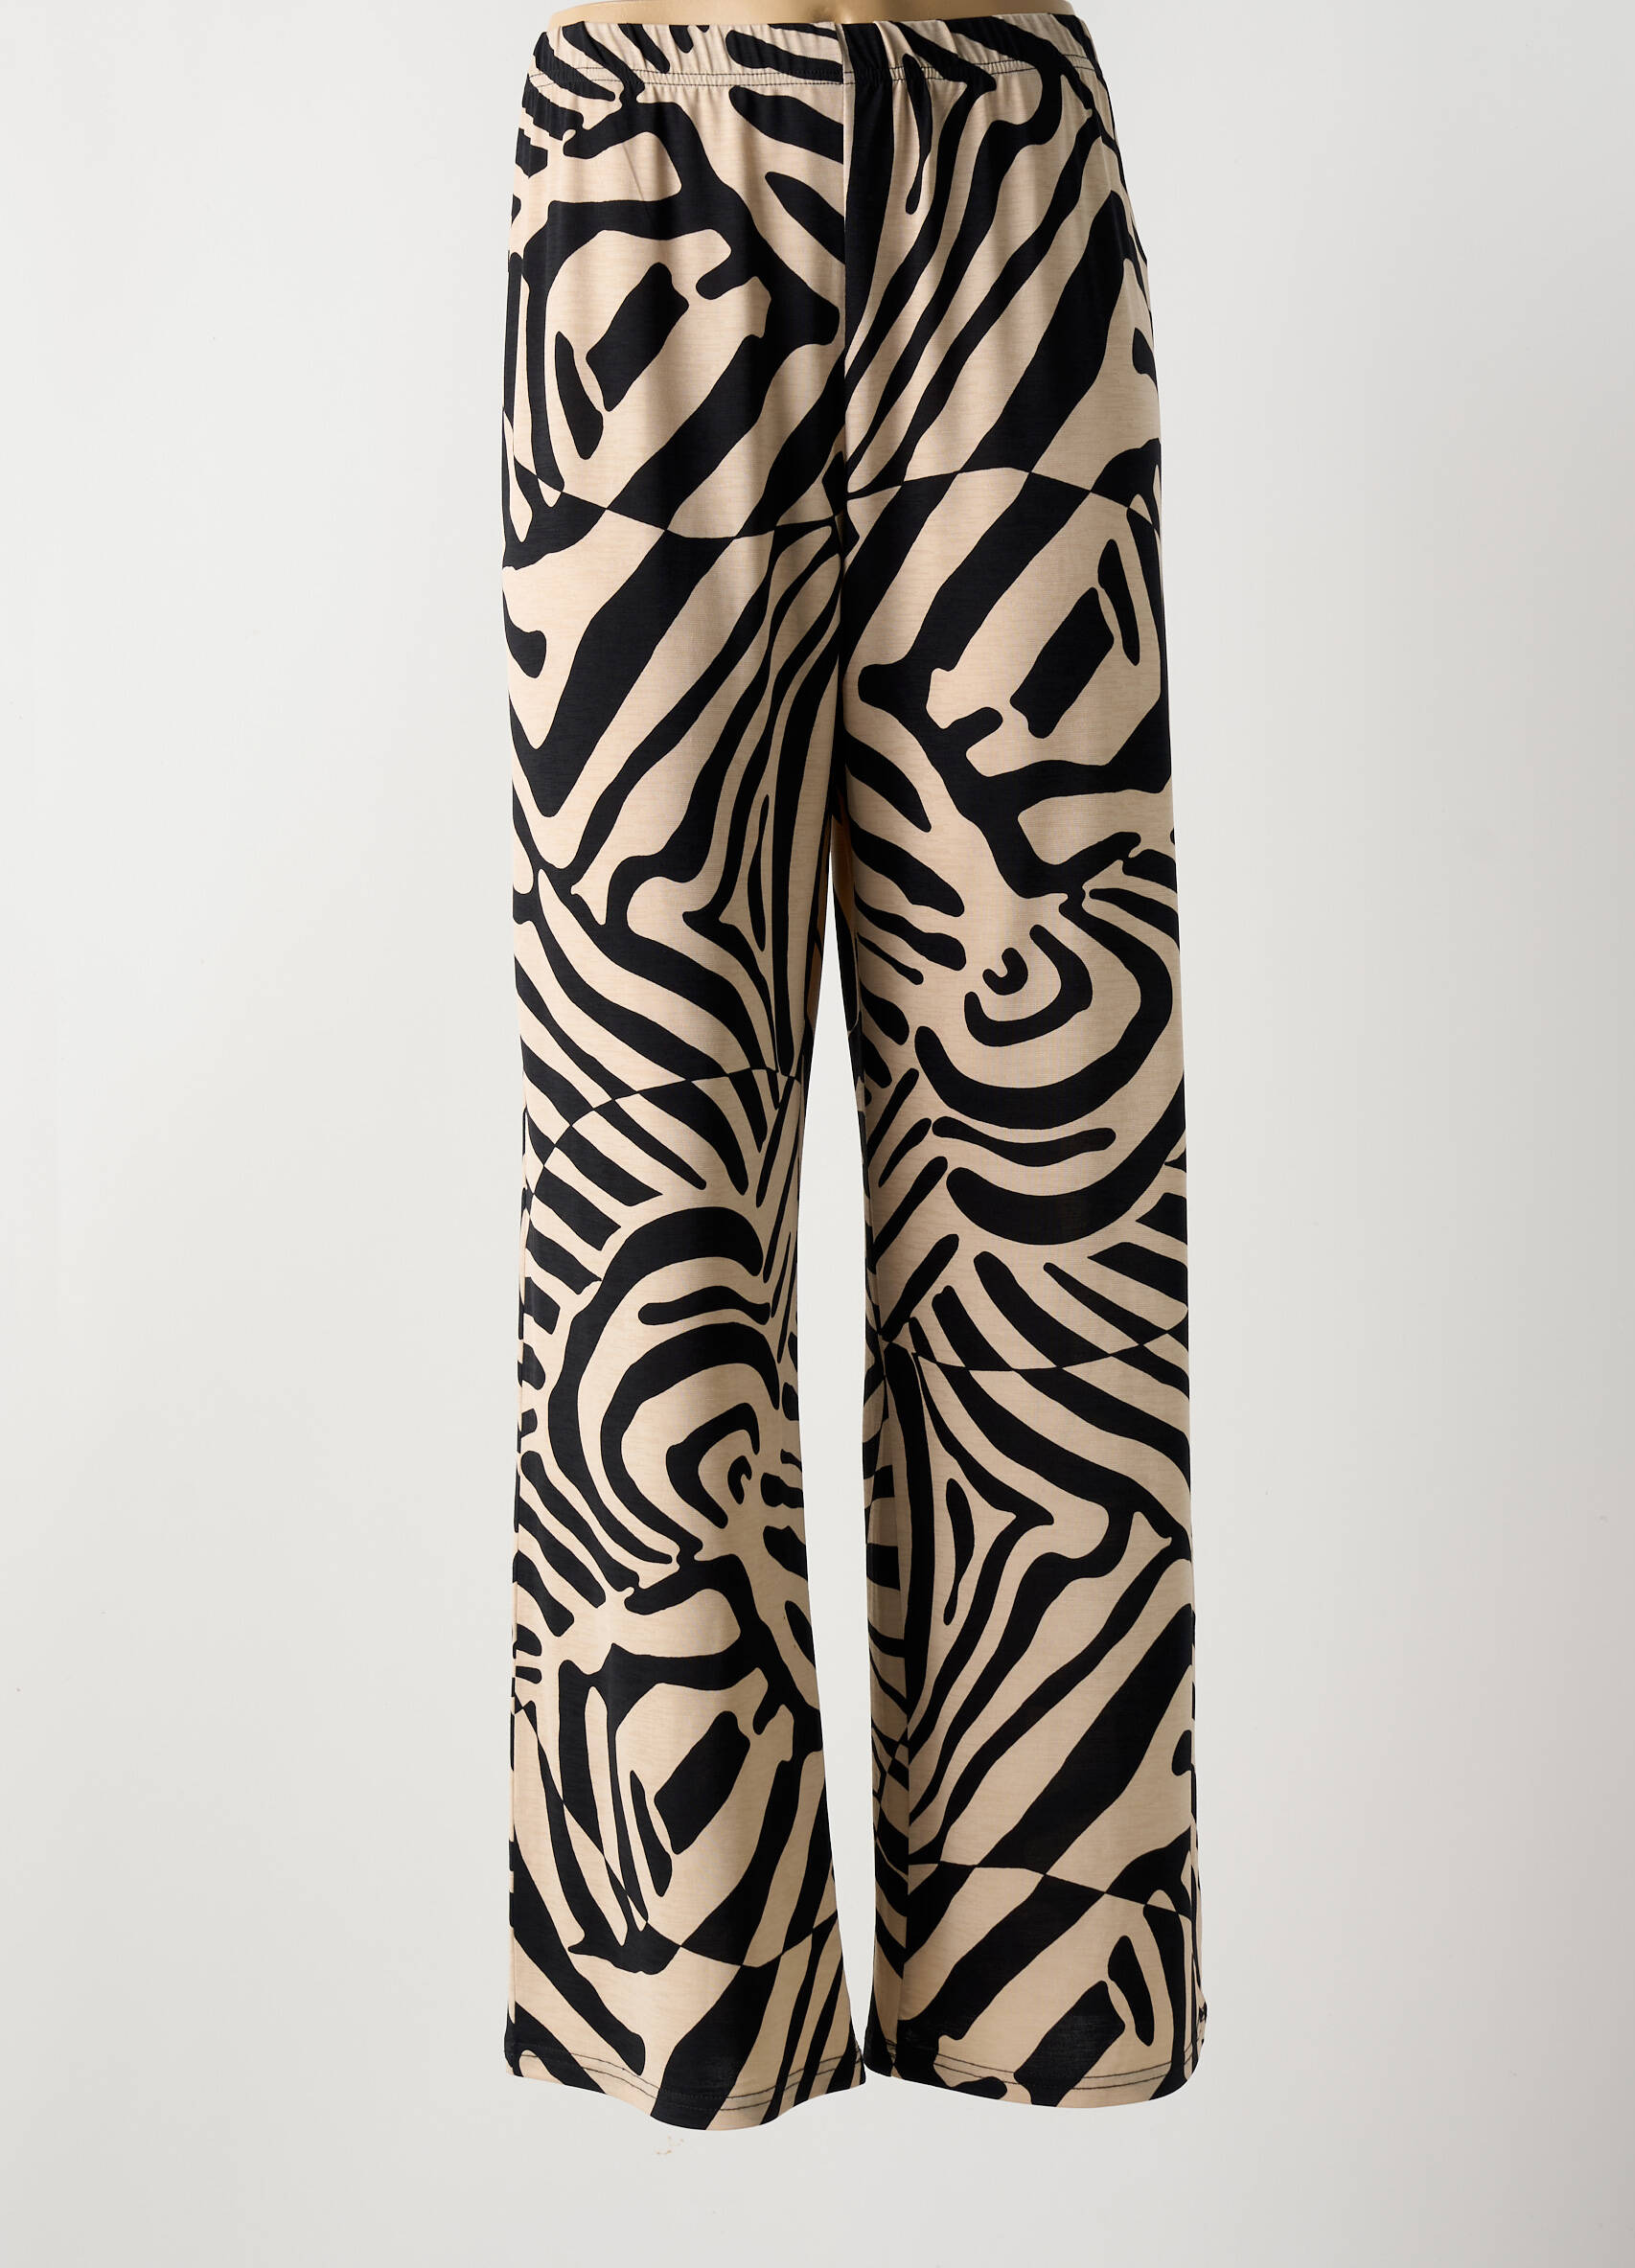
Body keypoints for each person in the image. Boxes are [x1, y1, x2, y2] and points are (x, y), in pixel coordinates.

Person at [500, 2, 1204, 2129]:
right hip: (649, 155)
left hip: (1012, 164)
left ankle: (1047, 1987)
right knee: (647, 1158)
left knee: (1051, 1176)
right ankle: (685, 1992)